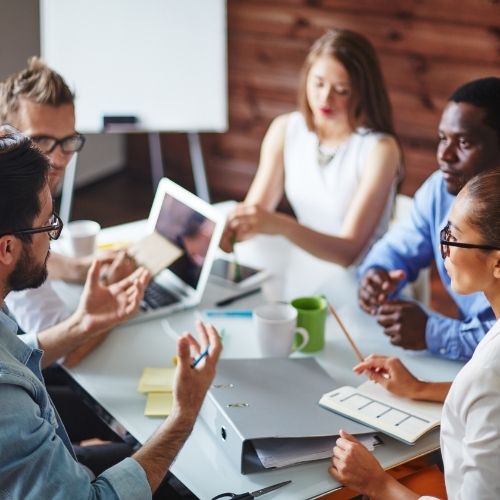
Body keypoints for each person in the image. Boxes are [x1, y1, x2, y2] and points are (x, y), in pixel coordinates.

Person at [0, 128, 222, 498]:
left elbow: (14, 350)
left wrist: (83, 324)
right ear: (7, 249)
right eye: (48, 225)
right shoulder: (8, 404)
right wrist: (184, 414)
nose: (53, 240)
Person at [330, 168, 500, 498]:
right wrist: (419, 388)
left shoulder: (488, 372)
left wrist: (377, 484)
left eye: (454, 236)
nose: (444, 250)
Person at [221, 28, 401, 267]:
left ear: (362, 92)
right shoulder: (286, 129)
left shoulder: (381, 149)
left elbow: (349, 252)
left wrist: (281, 225)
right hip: (308, 265)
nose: (325, 99)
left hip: (365, 277)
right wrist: (225, 232)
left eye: (341, 90)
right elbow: (256, 214)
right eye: (318, 84)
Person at [358, 77, 500, 360]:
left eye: (464, 142)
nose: (444, 155)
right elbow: (399, 246)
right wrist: (378, 273)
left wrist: (433, 332)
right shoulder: (439, 189)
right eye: (443, 138)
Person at [0, 56, 138, 336]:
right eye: (40, 141)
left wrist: (78, 269)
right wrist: (114, 303)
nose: (58, 159)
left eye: (68, 142)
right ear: (7, 135)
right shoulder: (13, 212)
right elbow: (57, 349)